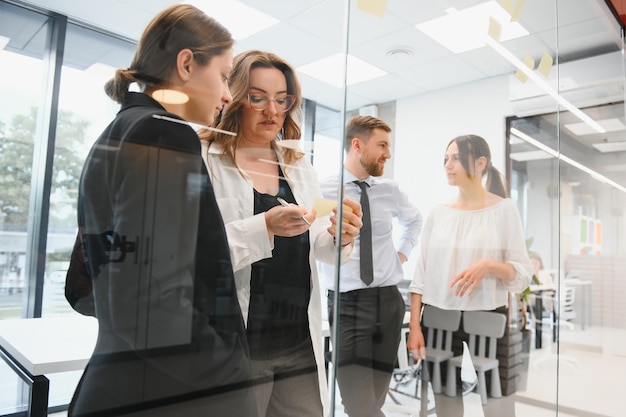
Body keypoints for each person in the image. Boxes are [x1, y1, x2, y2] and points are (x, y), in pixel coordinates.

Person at [67, 5, 256, 416]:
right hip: (162, 392)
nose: (228, 94)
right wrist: (233, 373)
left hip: (126, 380)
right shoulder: (163, 133)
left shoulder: (121, 130)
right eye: (224, 76)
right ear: (186, 63)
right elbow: (153, 303)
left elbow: (86, 286)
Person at [200, 50, 362, 417]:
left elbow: (319, 244)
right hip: (241, 343)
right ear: (236, 97)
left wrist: (342, 236)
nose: (271, 110)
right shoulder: (206, 157)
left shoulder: (297, 164)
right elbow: (194, 251)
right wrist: (264, 226)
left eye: (281, 99)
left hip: (297, 341)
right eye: (257, 97)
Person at [407, 134, 533, 413]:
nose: (448, 165)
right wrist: (415, 327)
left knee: (498, 406)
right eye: (445, 159)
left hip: (487, 317)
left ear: (480, 163)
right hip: (438, 318)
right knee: (446, 406)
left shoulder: (504, 210)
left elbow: (523, 274)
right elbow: (421, 276)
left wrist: (489, 266)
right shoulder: (438, 213)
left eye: (456, 158)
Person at [318, 115, 423, 417]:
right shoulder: (325, 189)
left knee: (375, 398)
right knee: (358, 404)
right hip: (347, 305)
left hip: (389, 302)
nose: (387, 154)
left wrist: (400, 255)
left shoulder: (389, 189)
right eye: (382, 145)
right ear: (357, 144)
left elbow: (414, 220)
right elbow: (311, 239)